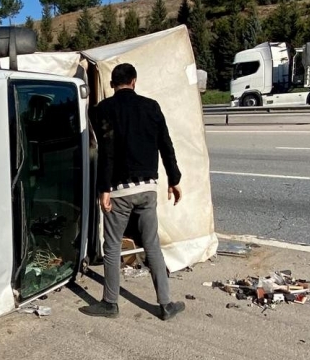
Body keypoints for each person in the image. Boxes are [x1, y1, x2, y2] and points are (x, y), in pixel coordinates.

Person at [80, 63, 185, 321]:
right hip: (148, 188)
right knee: (152, 245)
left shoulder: (103, 110)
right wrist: (174, 179)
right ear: (134, 81)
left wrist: (103, 189)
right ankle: (166, 304)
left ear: (113, 84)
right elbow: (166, 145)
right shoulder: (152, 107)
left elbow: (107, 152)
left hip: (118, 191)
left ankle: (110, 303)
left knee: (113, 246)